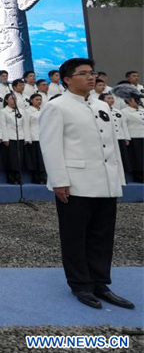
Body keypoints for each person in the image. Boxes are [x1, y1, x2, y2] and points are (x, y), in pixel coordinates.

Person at [40, 58, 133, 310]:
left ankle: (100, 282)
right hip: (76, 182)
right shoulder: (57, 107)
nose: (91, 78)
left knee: (102, 235)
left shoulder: (101, 104)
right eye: (83, 74)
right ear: (68, 79)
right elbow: (50, 146)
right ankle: (80, 284)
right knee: (75, 236)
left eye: (92, 73)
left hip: (105, 181)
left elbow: (111, 145)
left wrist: (117, 179)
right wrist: (59, 181)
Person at [0, 93, 30, 185]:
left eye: (15, 99)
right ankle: (10, 177)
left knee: (19, 158)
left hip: (20, 137)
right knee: (10, 158)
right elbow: (3, 126)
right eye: (12, 99)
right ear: (6, 100)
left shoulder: (21, 111)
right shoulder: (3, 111)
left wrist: (26, 137)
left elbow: (25, 125)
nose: (14, 100)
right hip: (10, 137)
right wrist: (5, 139)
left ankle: (18, 175)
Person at [99, 94, 131, 176]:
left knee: (122, 157)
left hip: (120, 137)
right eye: (109, 98)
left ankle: (122, 176)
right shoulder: (99, 111)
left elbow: (123, 125)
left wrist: (126, 137)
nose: (111, 100)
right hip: (108, 138)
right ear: (102, 100)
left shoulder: (118, 111)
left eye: (112, 98)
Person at [121, 93, 144, 183]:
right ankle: (139, 176)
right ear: (128, 101)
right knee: (137, 158)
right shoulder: (124, 111)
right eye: (136, 100)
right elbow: (124, 125)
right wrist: (127, 137)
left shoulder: (142, 110)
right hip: (134, 137)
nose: (138, 102)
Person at [25, 93, 47, 184]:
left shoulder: (43, 110)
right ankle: (36, 177)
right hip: (34, 137)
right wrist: (28, 138)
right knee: (35, 159)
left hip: (43, 137)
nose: (39, 101)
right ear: (31, 101)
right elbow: (26, 125)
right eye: (37, 100)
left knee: (43, 159)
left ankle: (43, 176)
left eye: (40, 100)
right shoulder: (28, 111)